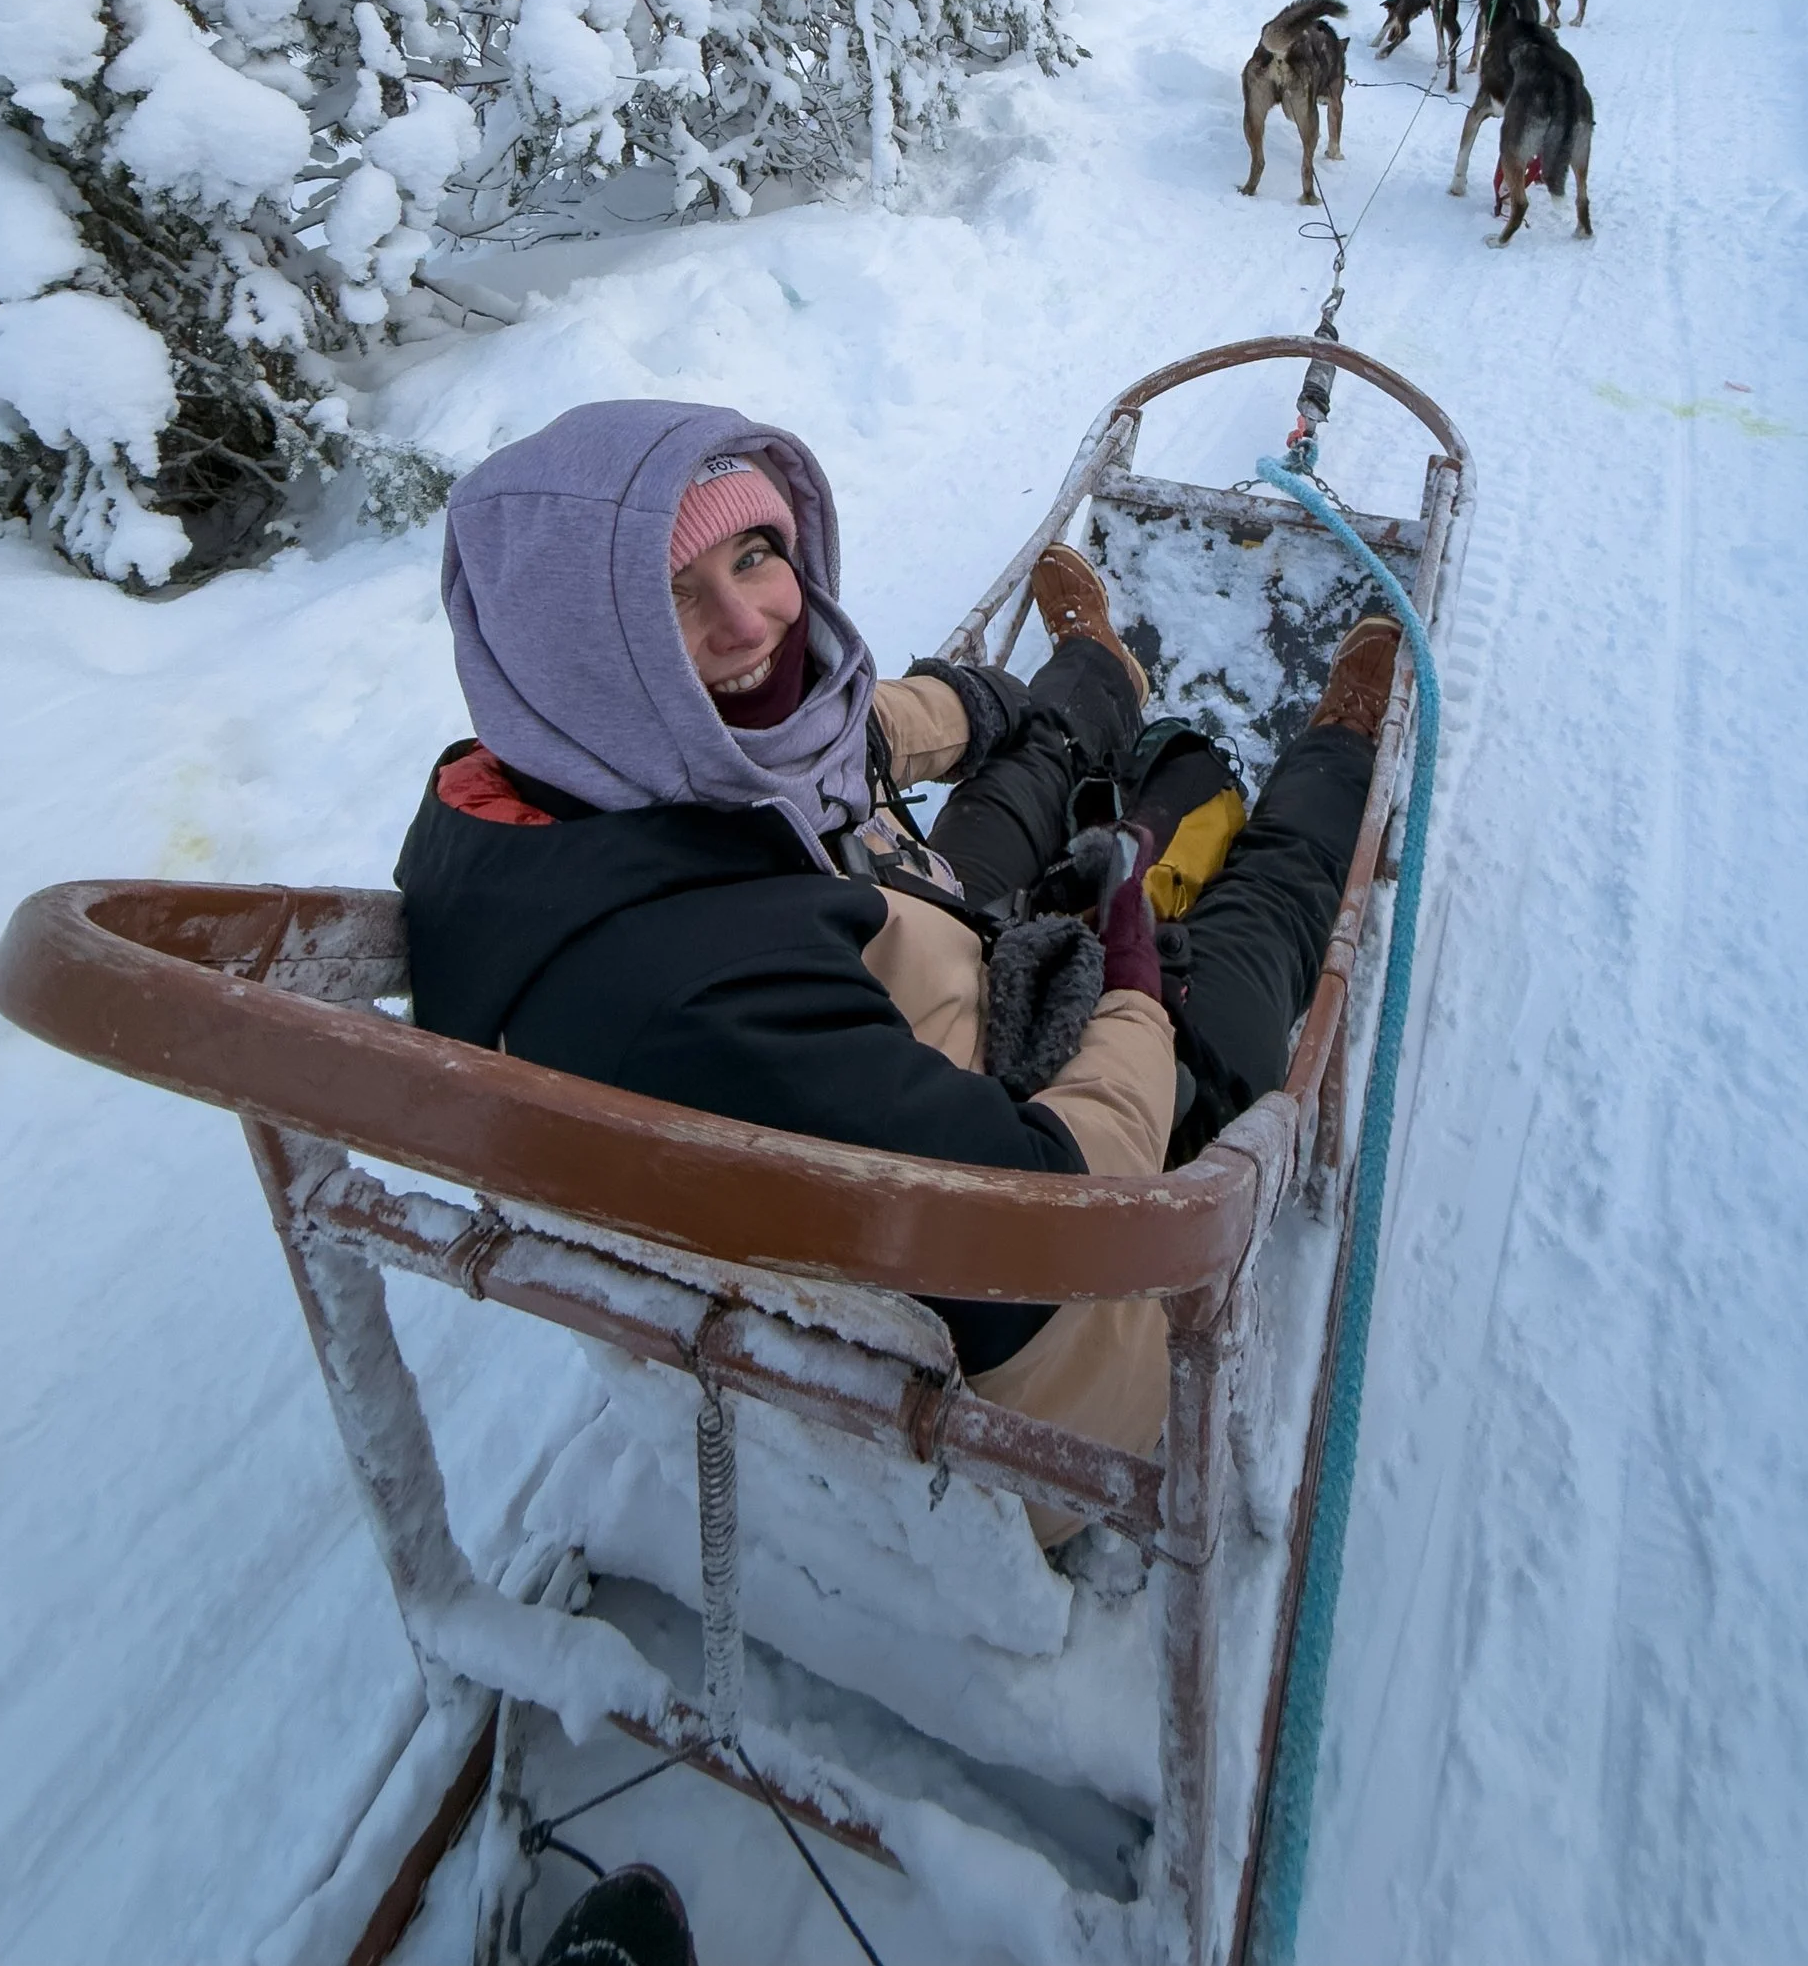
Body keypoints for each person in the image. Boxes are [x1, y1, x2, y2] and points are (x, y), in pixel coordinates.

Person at [398, 399, 1400, 1486]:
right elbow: (1055, 1214)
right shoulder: (705, 1005)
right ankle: (1337, 753)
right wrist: (1130, 979)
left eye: (756, 555)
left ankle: (1097, 675)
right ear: (583, 652)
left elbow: (830, 742)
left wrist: (961, 707)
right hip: (1050, 1333)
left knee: (1023, 765)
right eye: (669, 599)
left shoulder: (571, 783)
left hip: (910, 990)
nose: (749, 622)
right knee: (1252, 922)